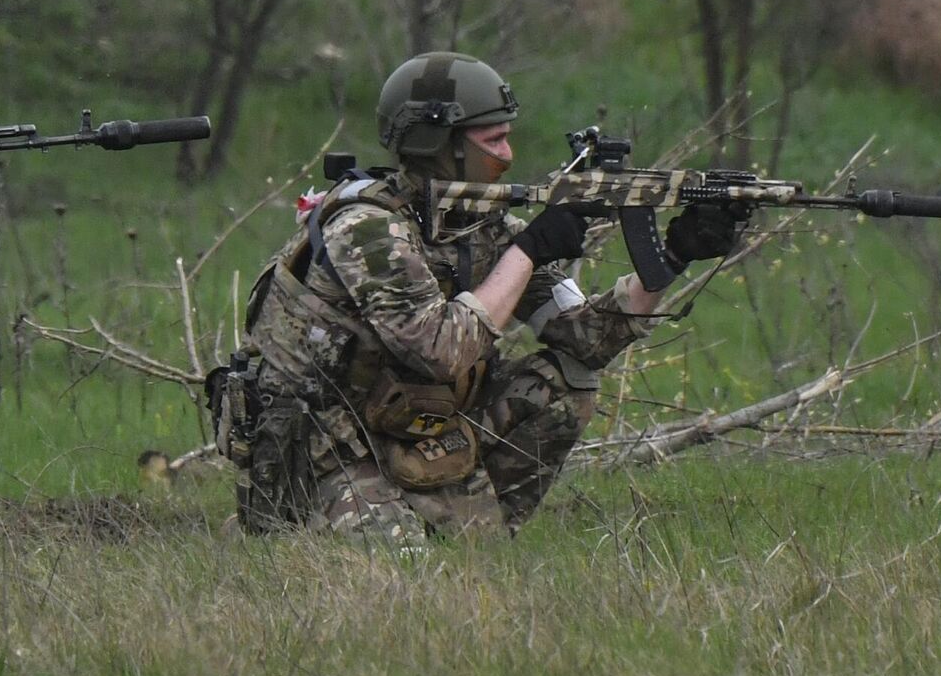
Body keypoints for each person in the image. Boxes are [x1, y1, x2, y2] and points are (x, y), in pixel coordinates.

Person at [224, 52, 740, 539]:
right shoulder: (367, 231)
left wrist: (673, 258)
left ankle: (477, 528)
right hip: (319, 446)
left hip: (408, 427)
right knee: (399, 575)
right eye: (493, 140)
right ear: (438, 142)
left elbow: (584, 341)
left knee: (566, 384)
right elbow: (440, 350)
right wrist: (529, 249)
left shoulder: (484, 229)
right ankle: (306, 526)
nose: (508, 155)